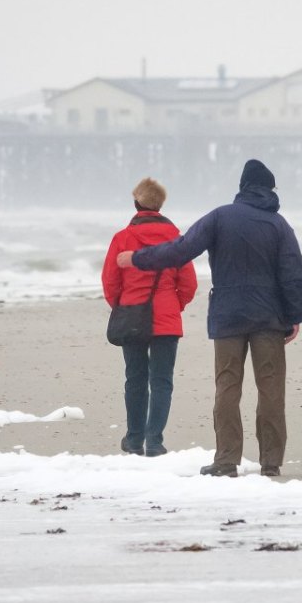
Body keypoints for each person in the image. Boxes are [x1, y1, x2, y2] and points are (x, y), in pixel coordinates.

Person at [117, 159, 302, 477]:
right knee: (271, 389)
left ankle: (226, 460)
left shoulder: (221, 217)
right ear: (269, 190)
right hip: (269, 318)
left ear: (243, 187)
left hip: (228, 316)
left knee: (227, 386)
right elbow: (295, 276)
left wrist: (137, 258)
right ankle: (270, 462)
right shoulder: (278, 226)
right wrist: (294, 316)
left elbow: (180, 250)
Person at [101, 178, 198, 457]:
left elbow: (110, 280)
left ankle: (134, 438)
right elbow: (189, 283)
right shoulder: (176, 238)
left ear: (136, 204)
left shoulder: (122, 238)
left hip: (132, 314)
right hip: (166, 318)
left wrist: (121, 305)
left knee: (135, 378)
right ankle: (154, 440)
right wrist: (173, 305)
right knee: (162, 381)